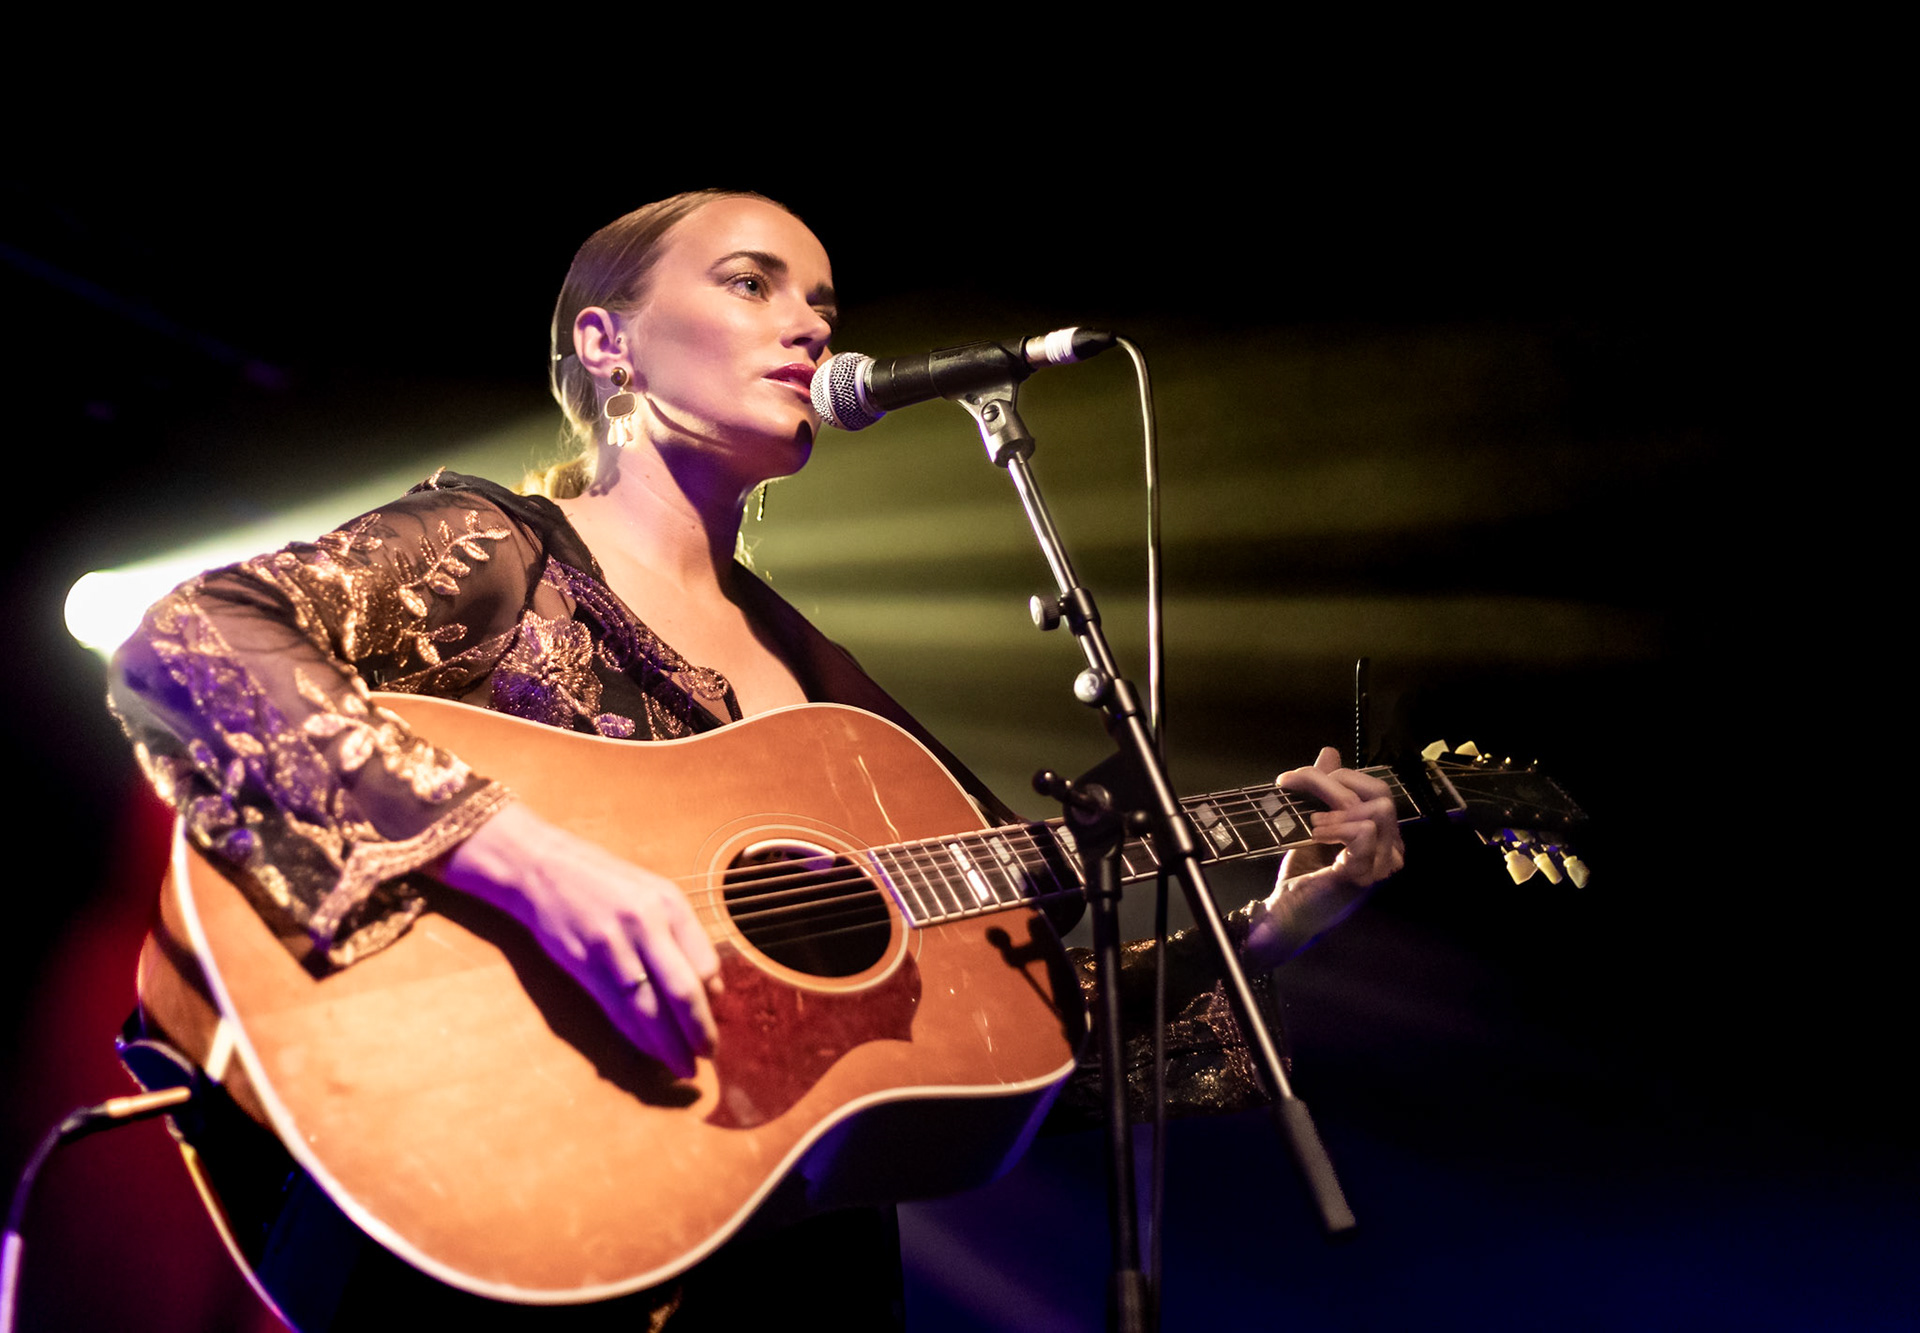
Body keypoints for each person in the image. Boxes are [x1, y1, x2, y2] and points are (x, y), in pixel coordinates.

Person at [110, 189, 1404, 1328]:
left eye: (824, 302)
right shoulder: (497, 552)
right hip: (512, 1200)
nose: (810, 326)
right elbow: (187, 642)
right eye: (751, 281)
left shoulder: (829, 694)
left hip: (789, 1272)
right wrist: (533, 864)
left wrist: (1275, 927)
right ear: (605, 342)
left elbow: (990, 1035)